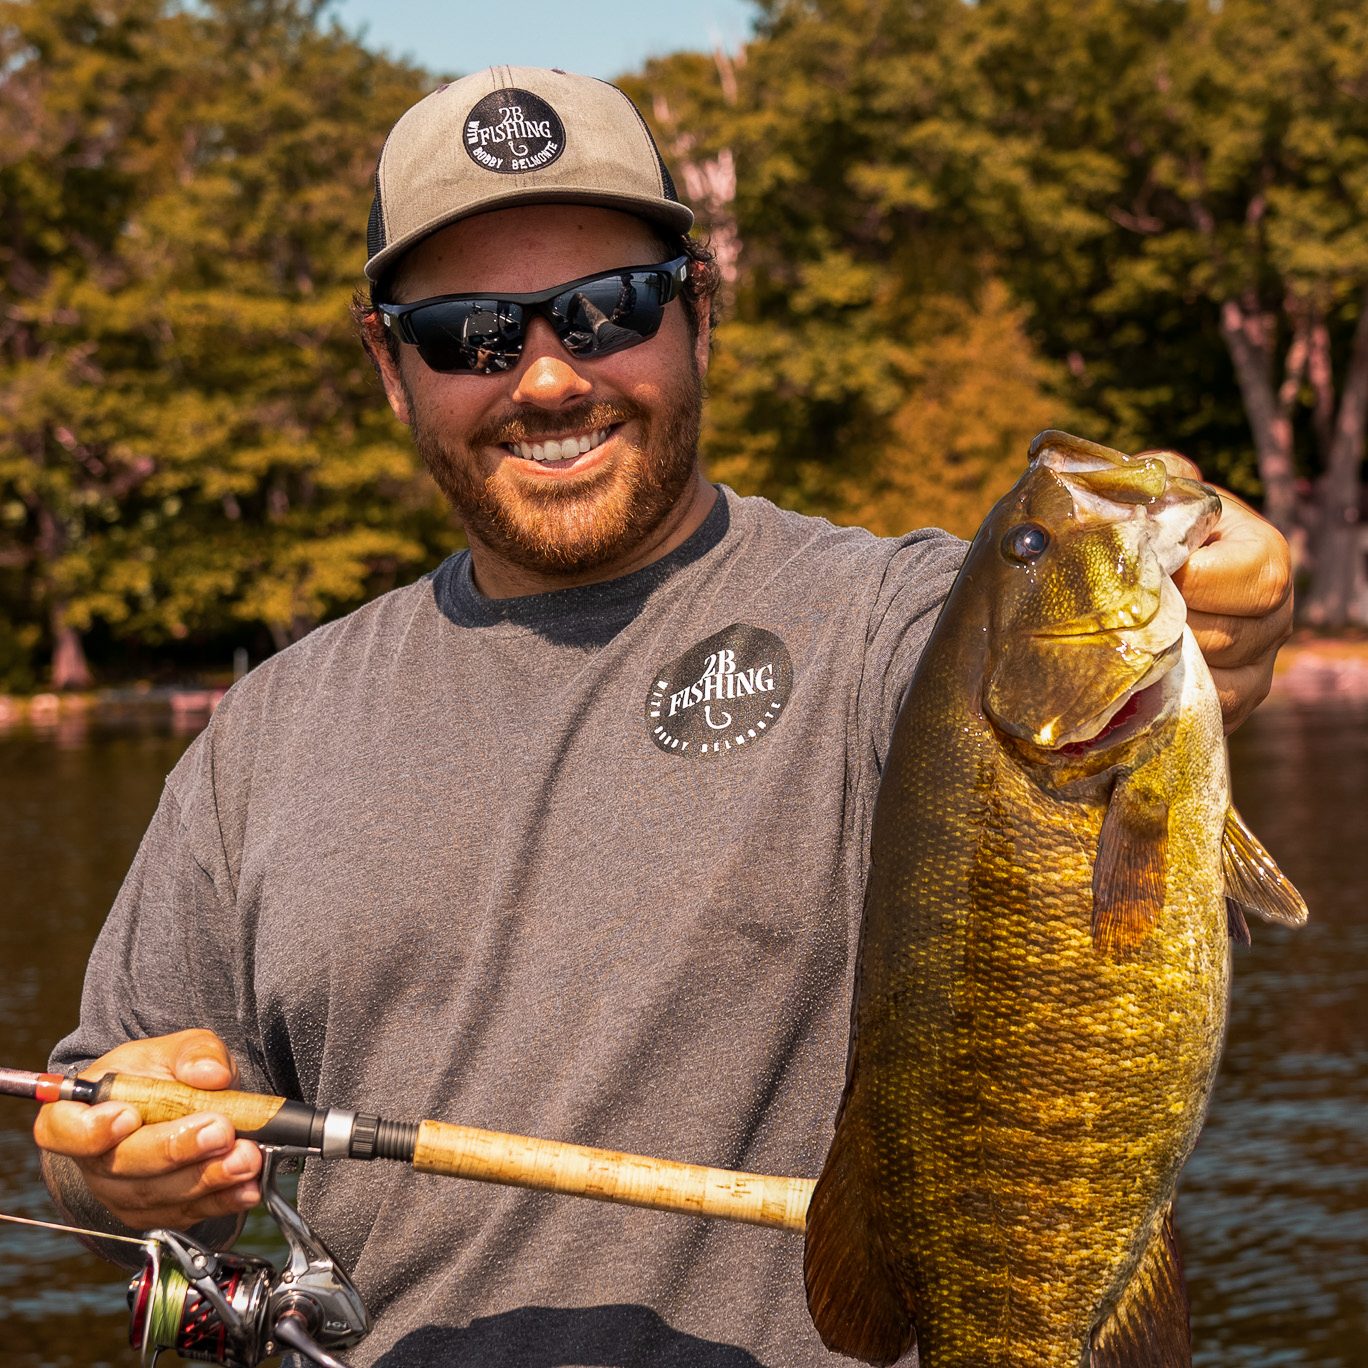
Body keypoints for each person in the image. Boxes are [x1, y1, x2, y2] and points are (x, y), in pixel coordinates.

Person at [34, 67, 1292, 1368]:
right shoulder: (265, 738)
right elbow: (99, 1110)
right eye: (470, 331)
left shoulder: (893, 627)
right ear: (389, 363)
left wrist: (1224, 604)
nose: (545, 375)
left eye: (603, 308)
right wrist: (111, 1164)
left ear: (697, 310)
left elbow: (1100, 666)